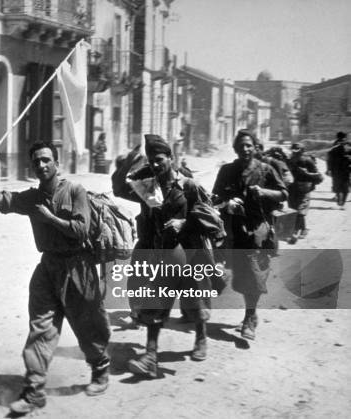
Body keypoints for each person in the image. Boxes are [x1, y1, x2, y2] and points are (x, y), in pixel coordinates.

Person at [0, 142, 111, 414]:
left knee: (88, 324)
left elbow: (81, 231)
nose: (41, 165)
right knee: (40, 328)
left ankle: (100, 369)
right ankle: (35, 390)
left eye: (46, 160)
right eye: (36, 161)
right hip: (48, 268)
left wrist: (50, 218)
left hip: (78, 268)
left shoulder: (74, 190)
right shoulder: (31, 197)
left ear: (57, 163)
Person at [123, 135, 220, 377]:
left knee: (195, 300)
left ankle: (201, 338)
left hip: (189, 251)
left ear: (170, 159)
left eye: (159, 160)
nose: (156, 165)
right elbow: (118, 187)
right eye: (151, 161)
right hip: (161, 252)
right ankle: (151, 355)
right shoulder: (146, 186)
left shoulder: (188, 186)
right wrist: (130, 161)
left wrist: (184, 222)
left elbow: (211, 217)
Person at [212, 130, 287, 340]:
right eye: (241, 146)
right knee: (225, 273)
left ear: (255, 147)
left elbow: (283, 193)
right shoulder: (227, 170)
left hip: (256, 230)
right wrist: (228, 204)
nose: (245, 149)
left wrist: (264, 192)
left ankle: (249, 317)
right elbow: (215, 197)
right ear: (235, 149)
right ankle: (195, 311)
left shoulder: (266, 169)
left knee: (254, 275)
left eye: (249, 145)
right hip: (231, 230)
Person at [287, 143, 322, 243]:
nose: (295, 153)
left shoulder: (308, 161)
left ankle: (295, 232)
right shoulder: (289, 161)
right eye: (293, 150)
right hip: (292, 189)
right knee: (294, 210)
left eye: (297, 150)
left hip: (304, 189)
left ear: (302, 151)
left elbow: (318, 176)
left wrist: (307, 175)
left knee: (300, 210)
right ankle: (303, 229)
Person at [326, 132, 351, 209]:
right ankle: (341, 200)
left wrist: (329, 169)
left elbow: (329, 160)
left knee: (342, 187)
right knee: (340, 187)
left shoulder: (347, 149)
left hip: (341, 171)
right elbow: (329, 160)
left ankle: (341, 201)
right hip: (340, 171)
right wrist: (329, 169)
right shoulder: (334, 150)